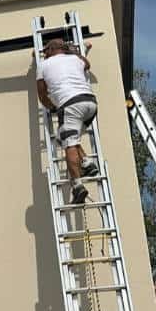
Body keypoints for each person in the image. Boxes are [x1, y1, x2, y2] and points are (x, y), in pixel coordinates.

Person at [36, 37, 101, 203]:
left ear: (50, 50)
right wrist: (74, 51)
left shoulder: (43, 65)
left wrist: (52, 107)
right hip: (90, 105)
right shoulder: (74, 59)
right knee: (63, 135)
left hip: (70, 105)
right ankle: (87, 162)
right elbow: (87, 64)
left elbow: (42, 95)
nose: (44, 55)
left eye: (45, 51)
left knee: (69, 144)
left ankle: (77, 186)